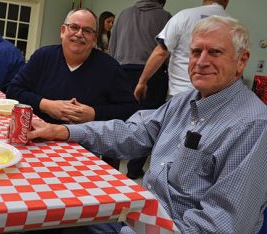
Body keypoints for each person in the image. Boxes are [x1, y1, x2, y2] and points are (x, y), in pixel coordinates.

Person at [26, 15, 267, 233]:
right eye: (195, 52)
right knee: (51, 212)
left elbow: (221, 226)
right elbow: (131, 134)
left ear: (241, 61)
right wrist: (63, 130)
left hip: (166, 229)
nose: (201, 61)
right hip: (139, 214)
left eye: (214, 52)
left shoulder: (253, 125)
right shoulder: (184, 101)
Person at [6, 8, 139, 169]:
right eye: (74, 27)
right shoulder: (43, 57)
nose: (79, 34)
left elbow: (129, 109)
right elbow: (13, 90)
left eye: (87, 31)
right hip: (38, 145)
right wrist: (46, 105)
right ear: (63, 31)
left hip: (87, 153)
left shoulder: (110, 67)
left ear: (94, 38)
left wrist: (94, 114)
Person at [134, 0, 232, 103]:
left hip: (179, 95)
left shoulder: (183, 17)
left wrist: (142, 81)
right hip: (214, 99)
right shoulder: (232, 26)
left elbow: (161, 52)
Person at [109, 0, 171, 179]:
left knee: (118, 119)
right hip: (151, 73)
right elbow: (167, 49)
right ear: (161, 3)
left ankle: (111, 167)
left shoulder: (124, 13)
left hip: (122, 70)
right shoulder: (165, 16)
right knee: (148, 122)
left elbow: (113, 43)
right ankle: (134, 170)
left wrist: (113, 69)